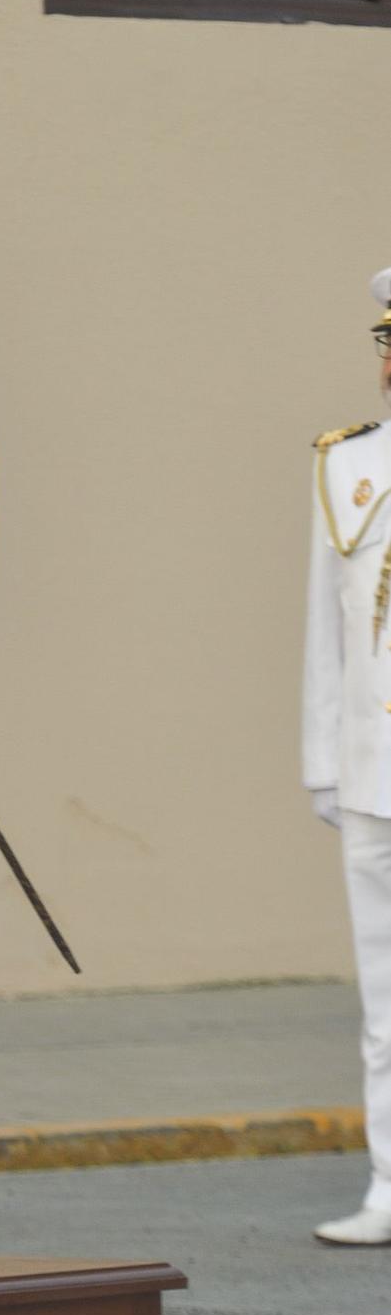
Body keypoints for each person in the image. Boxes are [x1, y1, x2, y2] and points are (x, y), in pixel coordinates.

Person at [303, 265, 391, 1248]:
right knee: (384, 994)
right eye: (385, 346)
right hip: (373, 765)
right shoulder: (345, 464)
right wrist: (321, 757)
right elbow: (324, 629)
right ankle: (389, 1180)